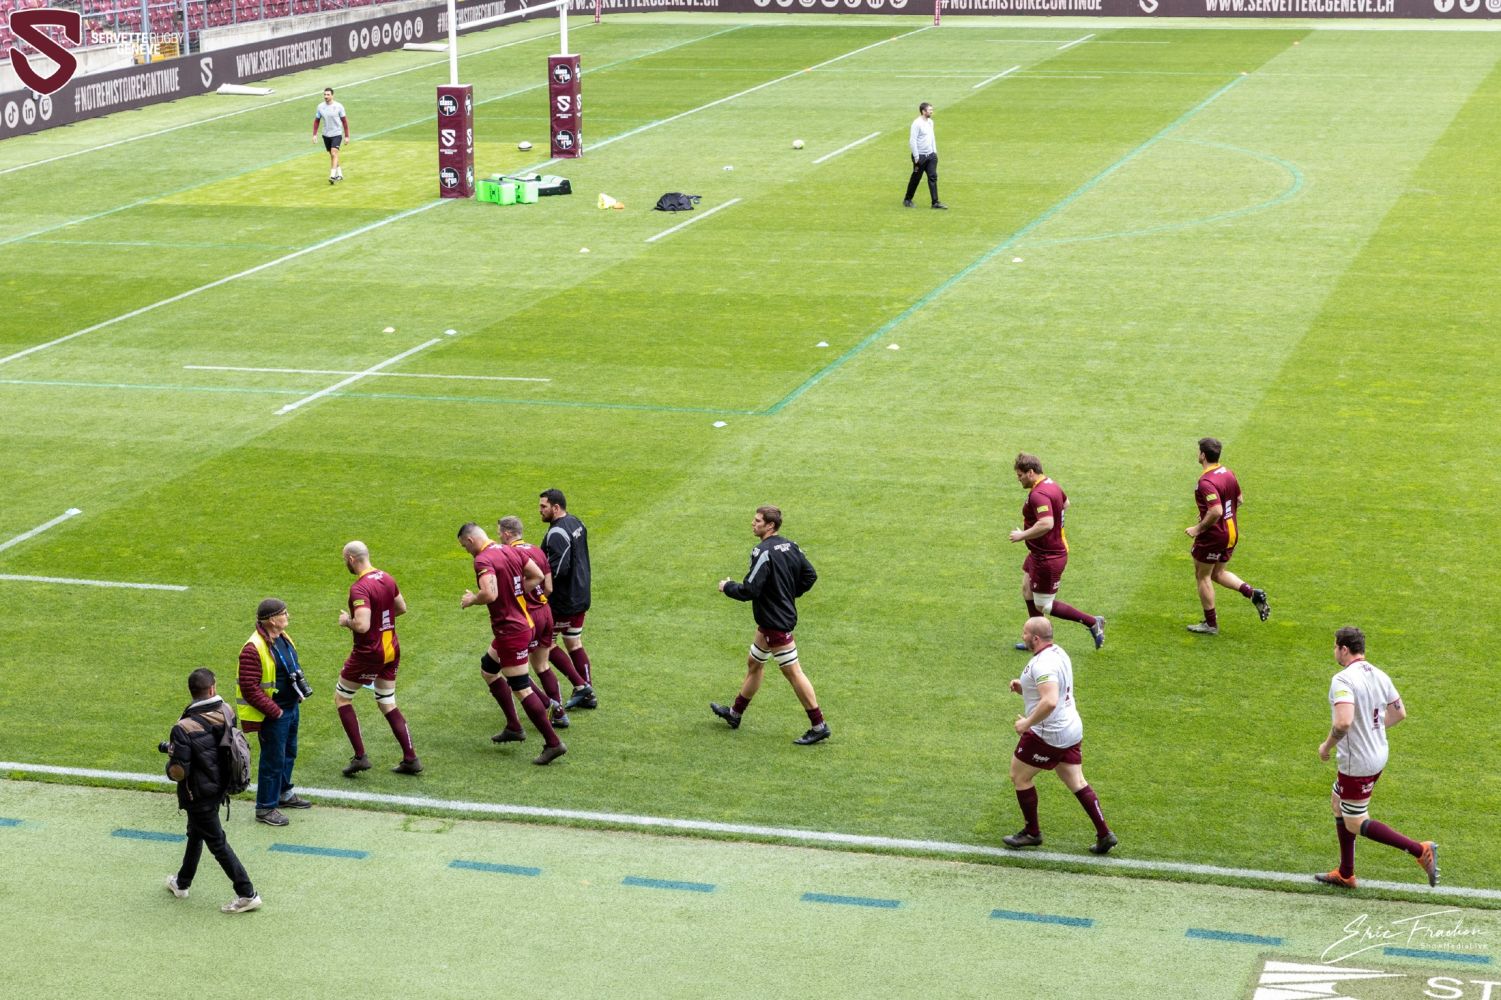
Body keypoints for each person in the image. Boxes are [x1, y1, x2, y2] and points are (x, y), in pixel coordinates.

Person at [1315, 626, 1437, 889]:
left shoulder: (1343, 680)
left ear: (1344, 649)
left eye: (1335, 646)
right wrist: (1373, 730)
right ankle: (1346, 873)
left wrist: (1326, 746)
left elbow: (1343, 723)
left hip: (1357, 762)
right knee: (1338, 801)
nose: (1334, 651)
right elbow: (1399, 713)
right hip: (1379, 752)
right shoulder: (1380, 675)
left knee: (1356, 821)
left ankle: (1420, 850)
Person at [710, 505, 829, 745]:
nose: (753, 524)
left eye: (757, 521)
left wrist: (727, 587)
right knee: (754, 664)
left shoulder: (762, 552)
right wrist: (787, 594)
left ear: (770, 525)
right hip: (771, 620)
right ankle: (735, 714)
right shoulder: (791, 546)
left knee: (793, 673)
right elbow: (810, 575)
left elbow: (750, 590)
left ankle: (819, 726)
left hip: (775, 622)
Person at [1001, 617, 1116, 855]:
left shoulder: (1042, 665)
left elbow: (1051, 700)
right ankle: (1104, 833)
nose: (1022, 636)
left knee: (1019, 776)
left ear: (1035, 638)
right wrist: (1024, 688)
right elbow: (1054, 689)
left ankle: (1032, 833)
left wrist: (1026, 723)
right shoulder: (1059, 652)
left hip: (1048, 733)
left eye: (1024, 633)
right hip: (1071, 728)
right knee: (1076, 781)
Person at [458, 522, 567, 765]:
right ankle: (513, 726)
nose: (466, 550)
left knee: (521, 688)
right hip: (521, 623)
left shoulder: (483, 560)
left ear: (471, 540)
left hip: (511, 630)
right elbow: (537, 575)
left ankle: (553, 743)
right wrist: (515, 594)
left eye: (465, 546)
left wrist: (472, 599)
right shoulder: (510, 550)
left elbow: (490, 594)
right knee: (488, 669)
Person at [163, 667, 261, 914]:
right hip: (220, 787)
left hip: (198, 793)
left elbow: (179, 772)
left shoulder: (183, 727)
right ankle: (182, 883)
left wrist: (172, 759)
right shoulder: (226, 711)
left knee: (217, 842)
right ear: (212, 688)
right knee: (196, 833)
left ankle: (247, 893)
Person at [335, 541, 421, 778]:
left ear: (351, 559)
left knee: (342, 698)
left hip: (369, 653)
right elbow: (401, 608)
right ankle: (411, 758)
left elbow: (362, 625)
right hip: (391, 648)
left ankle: (360, 757)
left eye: (344, 559)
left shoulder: (359, 588)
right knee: (387, 701)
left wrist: (346, 622)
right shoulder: (386, 577)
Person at [1008, 453, 1105, 651]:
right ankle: (1034, 640)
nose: (1018, 479)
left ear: (1030, 472)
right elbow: (1065, 503)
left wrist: (1023, 535)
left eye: (1020, 475)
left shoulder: (1038, 494)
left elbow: (1046, 523)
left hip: (1048, 557)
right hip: (1039, 552)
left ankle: (1092, 622)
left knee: (1044, 605)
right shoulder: (1051, 484)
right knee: (1027, 589)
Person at [498, 516, 583, 729]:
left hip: (526, 619)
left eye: (499, 532)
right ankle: (558, 712)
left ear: (507, 533)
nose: (499, 536)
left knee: (512, 670)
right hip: (545, 612)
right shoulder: (537, 550)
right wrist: (538, 600)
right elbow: (549, 587)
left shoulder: (509, 554)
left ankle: (551, 708)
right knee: (542, 665)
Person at [236, 597, 313, 826]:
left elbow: (290, 668)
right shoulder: (252, 649)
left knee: (289, 753)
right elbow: (249, 688)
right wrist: (275, 711)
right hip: (273, 714)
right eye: (284, 613)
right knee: (273, 760)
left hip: (290, 707)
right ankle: (265, 807)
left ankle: (283, 793)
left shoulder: (282, 637)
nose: (288, 616)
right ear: (271, 620)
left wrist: (297, 693)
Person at [1185, 437, 1270, 634]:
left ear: (1203, 455)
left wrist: (1198, 528)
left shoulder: (1205, 481)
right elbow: (1239, 500)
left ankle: (1210, 624)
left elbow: (1216, 511)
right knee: (1218, 573)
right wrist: (1209, 512)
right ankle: (1252, 593)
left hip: (1214, 535)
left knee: (1202, 576)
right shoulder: (1227, 473)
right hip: (1231, 532)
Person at [539, 488, 597, 711]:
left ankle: (582, 687)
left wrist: (538, 589)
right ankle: (588, 693)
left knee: (546, 643)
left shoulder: (557, 533)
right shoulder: (577, 522)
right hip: (581, 593)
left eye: (543, 506)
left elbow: (558, 569)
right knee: (574, 642)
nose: (540, 511)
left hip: (563, 601)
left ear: (556, 507)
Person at [903, 101, 946, 210]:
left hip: (931, 156)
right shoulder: (916, 123)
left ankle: (935, 202)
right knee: (916, 177)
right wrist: (916, 157)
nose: (932, 112)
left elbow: (932, 137)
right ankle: (907, 199)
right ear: (923, 111)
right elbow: (912, 141)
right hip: (920, 157)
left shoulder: (930, 122)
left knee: (933, 177)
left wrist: (934, 152)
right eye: (930, 110)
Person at [313, 86, 350, 185]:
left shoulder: (339, 106)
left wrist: (346, 136)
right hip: (326, 135)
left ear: (332, 95)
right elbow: (317, 121)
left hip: (336, 134)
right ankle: (340, 174)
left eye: (328, 94)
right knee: (333, 155)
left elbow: (344, 121)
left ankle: (332, 176)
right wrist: (314, 134)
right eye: (325, 94)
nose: (326, 96)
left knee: (334, 153)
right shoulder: (320, 107)